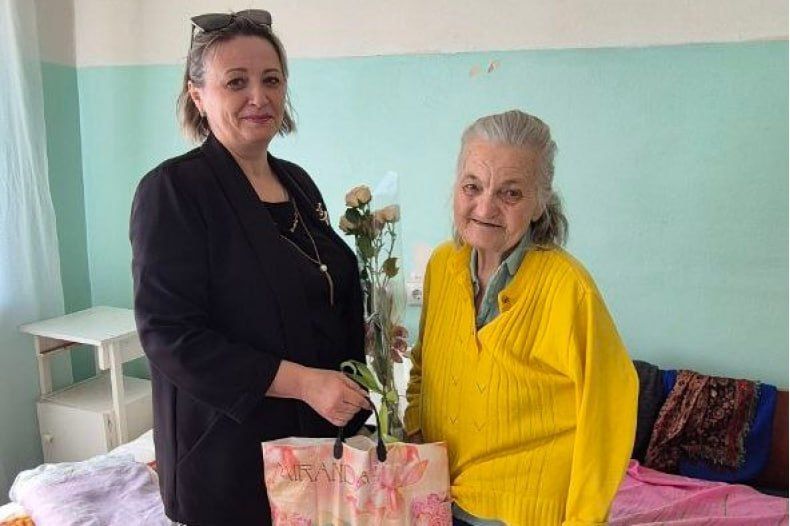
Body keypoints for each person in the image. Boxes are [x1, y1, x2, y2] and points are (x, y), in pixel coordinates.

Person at [130, 10, 370, 525]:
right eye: (236, 82)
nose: (258, 97)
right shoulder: (175, 191)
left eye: (271, 80)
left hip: (312, 447)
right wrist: (304, 383)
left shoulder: (298, 183)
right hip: (228, 459)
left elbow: (315, 288)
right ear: (198, 96)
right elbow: (169, 336)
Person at [405, 110, 638, 525]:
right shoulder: (442, 266)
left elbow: (610, 414)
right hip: (440, 498)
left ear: (539, 202)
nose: (485, 207)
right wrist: (414, 432)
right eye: (472, 186)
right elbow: (426, 365)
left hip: (524, 513)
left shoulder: (568, 288)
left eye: (510, 194)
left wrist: (584, 520)